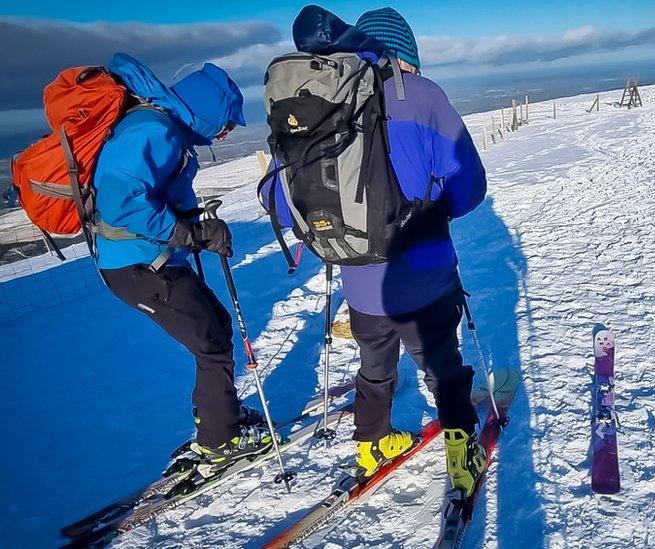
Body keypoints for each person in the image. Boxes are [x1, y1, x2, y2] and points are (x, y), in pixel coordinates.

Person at [293, 7, 488, 494]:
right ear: (405, 54)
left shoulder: (320, 103)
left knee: (374, 364)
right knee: (442, 361)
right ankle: (462, 452)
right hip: (424, 275)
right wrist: (437, 209)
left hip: (357, 280)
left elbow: (286, 196)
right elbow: (469, 184)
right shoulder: (420, 95)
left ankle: (371, 444)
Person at [93, 53, 273, 469]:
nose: (226, 134)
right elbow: (121, 202)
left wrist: (199, 228)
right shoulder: (155, 131)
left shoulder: (164, 128)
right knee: (209, 343)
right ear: (206, 113)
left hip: (151, 260)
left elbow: (160, 198)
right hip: (137, 266)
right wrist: (189, 234)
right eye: (226, 124)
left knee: (216, 327)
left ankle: (216, 413)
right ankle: (219, 439)